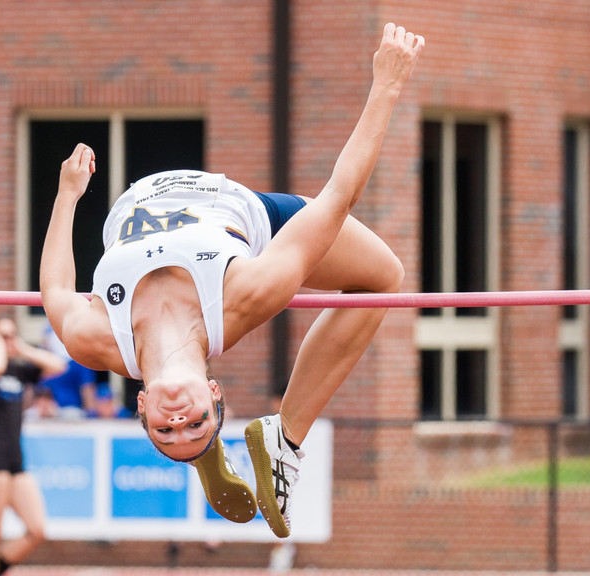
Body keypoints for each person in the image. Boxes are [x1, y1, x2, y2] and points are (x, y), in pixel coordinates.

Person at [40, 23, 423, 537]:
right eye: (196, 422)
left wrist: (67, 197)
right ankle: (285, 440)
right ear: (215, 392)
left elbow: (58, 292)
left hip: (137, 199)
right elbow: (338, 196)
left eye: (165, 428)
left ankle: (212, 455)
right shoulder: (242, 298)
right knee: (384, 278)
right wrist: (386, 86)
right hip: (246, 217)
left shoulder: (97, 340)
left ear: (142, 405)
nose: (179, 416)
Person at [0, 316, 66, 576]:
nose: (9, 340)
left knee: (36, 530)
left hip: (15, 462)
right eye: (3, 335)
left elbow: (57, 365)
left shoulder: (19, 370)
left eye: (12, 334)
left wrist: (20, 347)